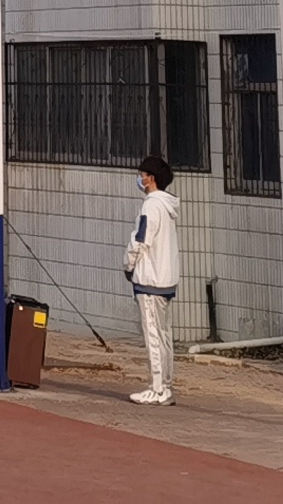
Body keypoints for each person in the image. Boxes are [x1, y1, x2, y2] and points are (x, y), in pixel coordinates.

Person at [124, 153, 182, 404]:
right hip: (166, 279)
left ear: (150, 178)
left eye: (142, 175)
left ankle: (157, 388)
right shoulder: (168, 206)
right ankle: (165, 385)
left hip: (151, 280)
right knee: (164, 335)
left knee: (153, 335)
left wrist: (128, 264)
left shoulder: (151, 205)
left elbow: (141, 239)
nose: (140, 179)